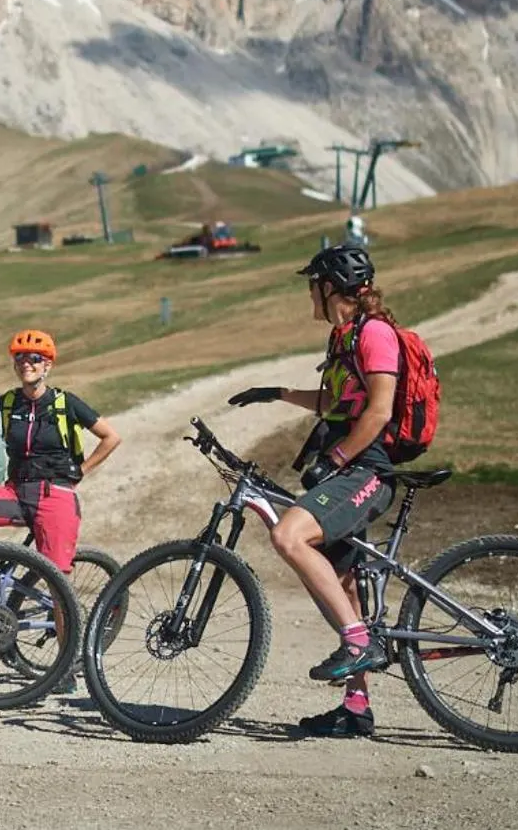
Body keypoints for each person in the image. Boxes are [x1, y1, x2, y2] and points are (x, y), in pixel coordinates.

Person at [227, 243, 400, 739]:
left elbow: (379, 411)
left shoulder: (375, 334)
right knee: (343, 585)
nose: (309, 295)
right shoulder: (344, 336)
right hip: (349, 469)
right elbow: (339, 401)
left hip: (367, 470)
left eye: (312, 286)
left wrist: (336, 458)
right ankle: (356, 707)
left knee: (288, 536)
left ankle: (358, 642)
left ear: (329, 287)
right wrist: (278, 393)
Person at [0, 329, 121, 576]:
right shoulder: (7, 403)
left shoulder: (64, 403)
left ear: (47, 365)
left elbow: (111, 437)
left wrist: (80, 471)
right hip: (15, 492)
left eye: (34, 358)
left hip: (54, 495)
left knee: (57, 579)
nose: (26, 363)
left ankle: (62, 604)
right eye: (20, 357)